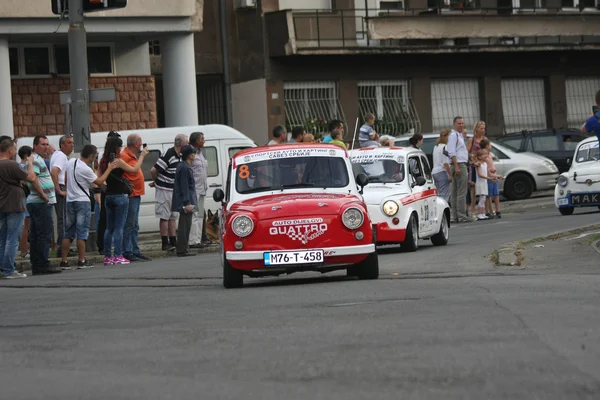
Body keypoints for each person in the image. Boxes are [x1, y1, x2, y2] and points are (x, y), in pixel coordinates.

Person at [59, 145, 117, 270]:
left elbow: (65, 177)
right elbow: (100, 181)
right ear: (91, 156)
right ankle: (81, 260)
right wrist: (110, 168)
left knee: (68, 232)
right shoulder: (86, 169)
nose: (95, 158)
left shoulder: (71, 162)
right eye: (95, 156)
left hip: (70, 201)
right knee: (82, 232)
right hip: (82, 202)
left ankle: (64, 261)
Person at [98, 137, 148, 266]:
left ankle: (108, 256)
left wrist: (105, 188)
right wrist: (142, 156)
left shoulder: (103, 161)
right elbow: (134, 169)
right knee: (119, 227)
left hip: (108, 196)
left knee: (109, 228)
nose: (121, 149)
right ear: (116, 148)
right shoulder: (117, 161)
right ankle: (119, 255)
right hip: (120, 195)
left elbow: (98, 179)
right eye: (119, 147)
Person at [0, 139, 36, 279]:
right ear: (9, 151)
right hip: (14, 204)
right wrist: (31, 163)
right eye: (14, 150)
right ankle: (9, 270)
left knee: (2, 238)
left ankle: (3, 269)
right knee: (12, 238)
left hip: (2, 204)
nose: (15, 152)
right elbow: (31, 178)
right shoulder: (11, 164)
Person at [26, 135, 62, 275]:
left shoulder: (37, 159)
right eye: (43, 144)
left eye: (47, 144)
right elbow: (32, 179)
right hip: (40, 202)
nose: (46, 147)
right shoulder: (35, 160)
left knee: (36, 234)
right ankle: (42, 263)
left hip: (38, 202)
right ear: (35, 146)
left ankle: (37, 263)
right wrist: (43, 195)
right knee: (44, 234)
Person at [150, 134, 188, 251]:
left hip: (174, 190)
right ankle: (165, 243)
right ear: (181, 144)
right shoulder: (169, 154)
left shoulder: (180, 156)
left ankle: (173, 240)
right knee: (164, 216)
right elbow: (153, 170)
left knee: (172, 216)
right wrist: (156, 181)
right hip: (165, 190)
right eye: (186, 143)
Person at [121, 134, 151, 262]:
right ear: (134, 144)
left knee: (135, 225)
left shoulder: (132, 156)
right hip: (131, 194)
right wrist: (143, 156)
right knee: (129, 224)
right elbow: (132, 170)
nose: (141, 145)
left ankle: (135, 250)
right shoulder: (124, 156)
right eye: (140, 143)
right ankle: (128, 251)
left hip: (136, 193)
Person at [96, 130, 122, 255]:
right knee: (108, 220)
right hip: (109, 188)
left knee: (107, 220)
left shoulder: (104, 156)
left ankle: (104, 247)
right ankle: (104, 246)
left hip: (107, 188)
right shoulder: (104, 155)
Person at [447, 117, 476, 223]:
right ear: (454, 124)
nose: (461, 125)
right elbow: (452, 152)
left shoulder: (459, 135)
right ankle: (462, 216)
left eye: (462, 123)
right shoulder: (454, 135)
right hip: (458, 164)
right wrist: (457, 165)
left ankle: (456, 216)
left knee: (455, 192)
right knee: (461, 192)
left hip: (459, 163)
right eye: (459, 123)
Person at [50, 135, 74, 259]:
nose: (72, 145)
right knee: (64, 219)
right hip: (61, 187)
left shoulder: (57, 155)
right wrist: (59, 189)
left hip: (60, 187)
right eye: (69, 143)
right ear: (62, 145)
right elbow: (54, 171)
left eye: (72, 142)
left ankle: (62, 246)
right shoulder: (61, 156)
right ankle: (62, 247)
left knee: (62, 219)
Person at [172, 145, 197, 257]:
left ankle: (184, 248)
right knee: (184, 225)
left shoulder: (183, 166)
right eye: (193, 153)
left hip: (187, 200)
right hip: (186, 201)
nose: (194, 155)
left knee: (186, 224)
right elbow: (185, 186)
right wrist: (187, 202)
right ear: (189, 154)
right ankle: (182, 249)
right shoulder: (185, 168)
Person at [188, 132, 209, 249]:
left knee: (200, 215)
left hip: (202, 189)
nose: (204, 141)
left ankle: (199, 239)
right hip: (194, 189)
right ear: (196, 141)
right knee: (194, 215)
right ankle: (193, 241)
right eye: (202, 139)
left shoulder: (200, 153)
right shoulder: (190, 154)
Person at [481, 139, 503, 218]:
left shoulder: (490, 154)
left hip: (493, 175)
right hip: (489, 177)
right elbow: (486, 168)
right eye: (490, 145)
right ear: (487, 146)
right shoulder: (484, 156)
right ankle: (490, 211)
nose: (491, 146)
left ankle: (497, 210)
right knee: (489, 195)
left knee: (496, 194)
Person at [18, 146, 32, 259]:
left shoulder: (18, 166)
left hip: (22, 198)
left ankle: (24, 249)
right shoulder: (24, 167)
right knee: (25, 226)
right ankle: (24, 250)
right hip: (26, 198)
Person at [475, 149, 498, 221]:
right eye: (483, 155)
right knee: (481, 199)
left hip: (484, 183)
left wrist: (495, 177)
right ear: (479, 157)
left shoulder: (485, 164)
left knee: (484, 198)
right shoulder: (479, 164)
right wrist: (489, 178)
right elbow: (480, 174)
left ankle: (482, 213)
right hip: (480, 183)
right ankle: (479, 214)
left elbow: (489, 174)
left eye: (486, 154)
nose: (486, 156)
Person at [432, 129, 452, 203]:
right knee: (444, 195)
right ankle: (443, 212)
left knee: (439, 194)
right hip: (442, 172)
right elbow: (446, 163)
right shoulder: (445, 147)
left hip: (435, 172)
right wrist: (450, 175)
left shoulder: (436, 146)